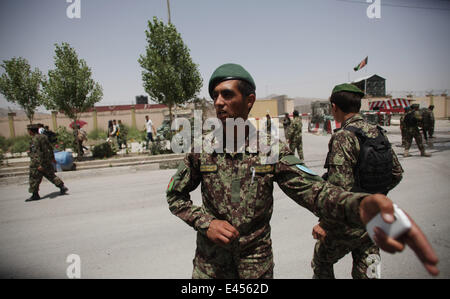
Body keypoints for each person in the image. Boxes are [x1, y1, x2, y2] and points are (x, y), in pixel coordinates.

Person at [166, 63, 439, 279]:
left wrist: (359, 204)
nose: (218, 102)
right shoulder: (201, 148)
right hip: (209, 267)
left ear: (249, 100)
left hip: (255, 266)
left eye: (227, 94)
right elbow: (175, 196)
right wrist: (206, 223)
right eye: (215, 95)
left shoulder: (270, 149)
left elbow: (314, 190)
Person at [311, 83, 404, 279]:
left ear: (334, 107)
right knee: (369, 267)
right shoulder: (378, 132)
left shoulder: (344, 137)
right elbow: (396, 173)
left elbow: (339, 188)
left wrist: (325, 224)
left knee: (321, 260)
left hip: (351, 220)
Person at [26, 124, 68, 202]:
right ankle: (62, 187)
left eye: (28, 130)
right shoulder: (43, 137)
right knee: (51, 175)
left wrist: (39, 164)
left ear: (31, 131)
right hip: (47, 161)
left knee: (34, 178)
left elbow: (36, 153)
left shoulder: (35, 139)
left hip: (38, 163)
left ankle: (35, 195)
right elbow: (50, 148)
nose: (28, 132)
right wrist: (52, 158)